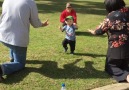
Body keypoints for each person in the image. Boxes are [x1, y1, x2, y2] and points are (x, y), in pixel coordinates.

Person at [0, 0, 49, 81]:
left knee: (13, 44)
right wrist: (42, 24)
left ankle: (12, 57)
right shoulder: (30, 2)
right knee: (20, 64)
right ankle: (1, 69)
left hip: (2, 35)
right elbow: (35, 23)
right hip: (18, 40)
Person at [89, 0, 129, 83]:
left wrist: (94, 31)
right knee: (124, 66)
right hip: (127, 47)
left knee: (110, 66)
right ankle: (126, 73)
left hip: (116, 48)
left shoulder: (111, 15)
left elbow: (101, 30)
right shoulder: (127, 11)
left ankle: (127, 77)